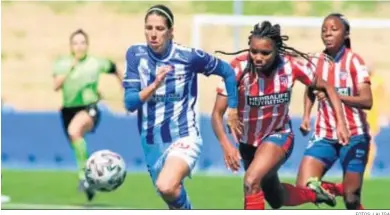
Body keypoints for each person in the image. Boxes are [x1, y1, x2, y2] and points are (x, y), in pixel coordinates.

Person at [211, 20, 349, 210]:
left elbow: (327, 87)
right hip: (248, 143)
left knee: (251, 181)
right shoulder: (237, 69)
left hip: (278, 134)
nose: (258, 57)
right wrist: (226, 145)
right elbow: (217, 114)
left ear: (277, 50)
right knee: (276, 199)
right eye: (253, 51)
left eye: (265, 53)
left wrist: (341, 123)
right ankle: (314, 192)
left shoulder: (290, 66)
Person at [123, 4, 240, 210]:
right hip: (151, 143)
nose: (153, 34)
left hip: (184, 136)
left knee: (166, 185)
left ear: (171, 31)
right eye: (149, 28)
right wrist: (154, 86)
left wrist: (233, 108)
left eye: (159, 29)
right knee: (171, 195)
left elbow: (228, 71)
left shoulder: (189, 57)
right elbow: (130, 103)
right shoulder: (135, 55)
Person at [298, 13, 373, 210]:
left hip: (354, 135)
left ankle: (348, 190)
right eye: (324, 30)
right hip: (324, 135)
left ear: (346, 33)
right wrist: (306, 115)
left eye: (334, 29)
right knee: (303, 188)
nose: (328, 34)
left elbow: (367, 100)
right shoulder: (315, 60)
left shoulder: (354, 62)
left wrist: (334, 94)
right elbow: (309, 88)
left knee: (351, 201)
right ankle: (343, 188)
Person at [52, 29, 122, 201]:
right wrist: (70, 67)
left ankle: (84, 177)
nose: (79, 46)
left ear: (87, 45)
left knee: (74, 131)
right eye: (76, 43)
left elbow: (114, 68)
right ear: (70, 46)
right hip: (68, 110)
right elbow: (56, 86)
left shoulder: (95, 63)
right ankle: (90, 182)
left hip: (89, 108)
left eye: (83, 42)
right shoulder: (63, 64)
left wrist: (124, 86)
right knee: (76, 141)